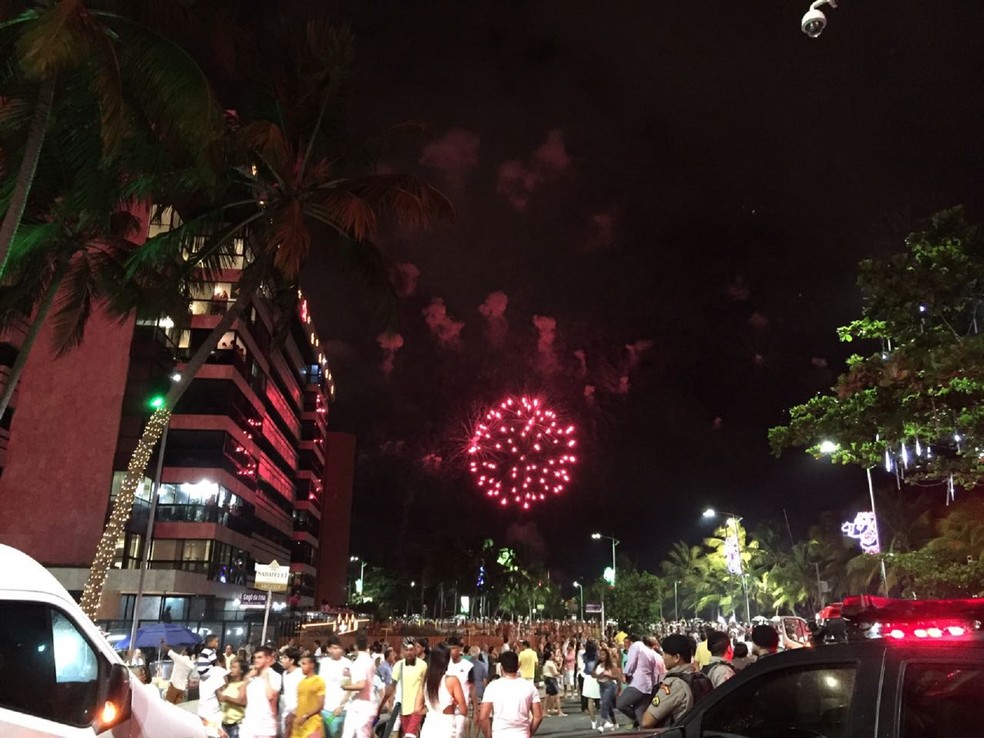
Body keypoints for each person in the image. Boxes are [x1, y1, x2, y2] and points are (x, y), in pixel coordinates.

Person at [477, 650, 542, 738]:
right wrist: (530, 732)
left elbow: (483, 717)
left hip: (499, 733)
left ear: (501, 668)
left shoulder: (492, 687)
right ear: (518, 666)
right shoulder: (529, 687)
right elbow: (538, 716)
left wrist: (488, 736)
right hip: (522, 733)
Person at [640, 635, 693, 730]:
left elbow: (646, 722)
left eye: (665, 653)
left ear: (676, 657)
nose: (663, 657)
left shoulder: (673, 684)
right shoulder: (699, 677)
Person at [417, 643, 468, 738]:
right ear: (447, 660)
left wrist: (432, 708)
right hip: (446, 727)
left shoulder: (425, 680)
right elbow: (463, 710)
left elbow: (417, 709)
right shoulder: (452, 681)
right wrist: (453, 706)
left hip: (428, 727)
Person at [382, 638, 428, 738]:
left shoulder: (423, 666)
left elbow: (424, 687)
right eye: (406, 650)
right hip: (400, 706)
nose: (409, 652)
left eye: (411, 649)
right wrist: (389, 703)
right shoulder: (398, 666)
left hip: (416, 708)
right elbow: (392, 687)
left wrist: (424, 705)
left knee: (410, 734)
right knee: (399, 732)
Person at [616, 633, 658, 729]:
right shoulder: (649, 651)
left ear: (631, 641)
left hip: (637, 683)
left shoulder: (635, 646)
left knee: (621, 704)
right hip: (647, 686)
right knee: (641, 714)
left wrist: (626, 674)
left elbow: (631, 662)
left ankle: (635, 720)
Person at [341, 634, 378, 738]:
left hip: (362, 705)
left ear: (355, 646)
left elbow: (361, 684)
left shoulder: (360, 662)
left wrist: (345, 686)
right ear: (367, 645)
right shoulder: (370, 660)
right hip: (364, 703)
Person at [241, 646, 283, 738]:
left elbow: (271, 697)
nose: (256, 660)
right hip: (249, 724)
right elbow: (242, 699)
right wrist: (246, 679)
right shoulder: (251, 676)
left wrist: (266, 679)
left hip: (265, 726)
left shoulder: (275, 676)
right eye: (255, 657)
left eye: (260, 657)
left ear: (268, 659)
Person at [318, 635, 349, 738]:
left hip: (339, 710)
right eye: (335, 648)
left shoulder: (347, 664)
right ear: (328, 649)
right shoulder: (323, 663)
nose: (338, 651)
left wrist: (341, 706)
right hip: (324, 709)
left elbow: (350, 688)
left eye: (339, 648)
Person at [446, 637, 475, 737]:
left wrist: (475, 710)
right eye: (449, 648)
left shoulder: (468, 666)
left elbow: (472, 687)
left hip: (462, 709)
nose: (451, 651)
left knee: (458, 734)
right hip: (446, 708)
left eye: (453, 648)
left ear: (460, 649)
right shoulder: (445, 665)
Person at [292, 654, 327, 738]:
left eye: (304, 664)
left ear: (312, 665)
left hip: (312, 725)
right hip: (299, 725)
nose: (302, 666)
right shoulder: (301, 682)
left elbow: (320, 705)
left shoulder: (318, 681)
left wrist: (305, 716)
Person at [198, 662, 230, 736]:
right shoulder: (218, 670)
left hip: (202, 711)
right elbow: (221, 696)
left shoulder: (205, 673)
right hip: (213, 713)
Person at [219, 658, 248, 738]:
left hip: (235, 725)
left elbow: (243, 702)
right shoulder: (232, 684)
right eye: (231, 667)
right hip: (225, 724)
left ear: (241, 671)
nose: (231, 669)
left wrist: (226, 698)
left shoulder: (242, 685)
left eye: (235, 667)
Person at [594, 646, 621, 732]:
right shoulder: (598, 665)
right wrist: (597, 676)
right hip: (601, 686)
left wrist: (608, 675)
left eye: (603, 654)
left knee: (604, 704)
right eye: (600, 654)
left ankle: (602, 724)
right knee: (608, 706)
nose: (601, 656)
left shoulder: (611, 665)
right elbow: (594, 674)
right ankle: (615, 723)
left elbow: (617, 677)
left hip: (610, 686)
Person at [281, 647, 306, 737]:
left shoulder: (301, 674)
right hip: (286, 712)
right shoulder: (284, 674)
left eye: (284, 658)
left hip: (297, 714)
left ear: (291, 660)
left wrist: (297, 711)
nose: (282, 660)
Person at [580, 640, 600, 729]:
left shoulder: (584, 656)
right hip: (597, 677)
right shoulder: (598, 655)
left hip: (587, 678)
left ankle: (593, 722)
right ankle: (607, 720)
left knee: (590, 700)